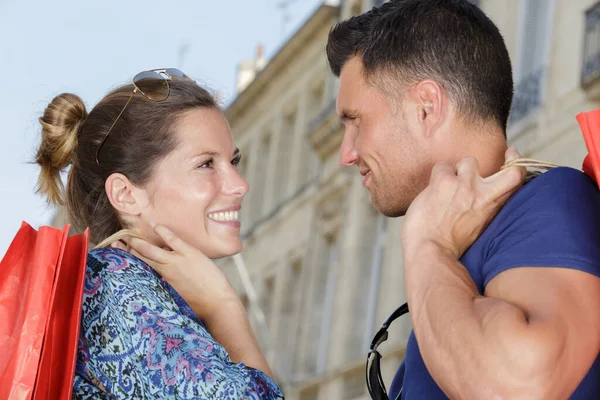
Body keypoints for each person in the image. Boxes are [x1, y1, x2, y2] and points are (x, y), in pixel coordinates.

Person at [326, 0, 600, 399]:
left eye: (355, 121)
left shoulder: (550, 199)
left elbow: (519, 388)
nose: (346, 154)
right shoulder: (461, 252)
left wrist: (426, 246)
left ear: (427, 107)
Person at [34, 69, 283, 399]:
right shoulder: (117, 286)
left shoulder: (134, 286)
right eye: (206, 164)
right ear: (126, 194)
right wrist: (224, 309)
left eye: (234, 161)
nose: (239, 185)